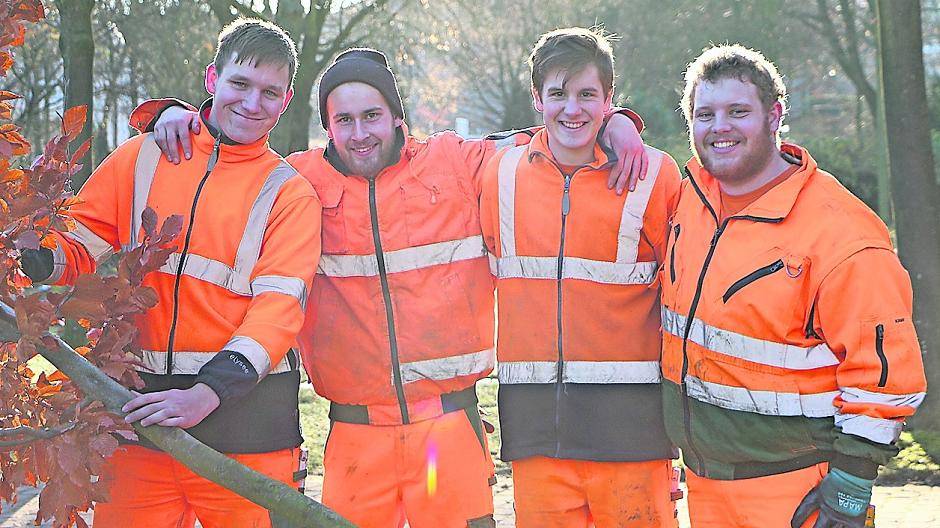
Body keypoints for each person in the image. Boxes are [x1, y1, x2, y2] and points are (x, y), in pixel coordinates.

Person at [134, 47, 648, 527]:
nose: (360, 133)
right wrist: (173, 115)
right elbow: (229, 154)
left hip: (448, 432)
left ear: (397, 116)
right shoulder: (296, 181)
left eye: (372, 115)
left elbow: (549, 139)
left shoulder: (457, 163)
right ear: (327, 128)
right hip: (354, 438)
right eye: (343, 120)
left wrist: (617, 123)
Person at [21, 19, 319, 527]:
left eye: (269, 92)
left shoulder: (289, 193)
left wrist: (206, 394)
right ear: (211, 79)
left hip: (248, 429)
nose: (252, 103)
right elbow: (77, 242)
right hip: (138, 414)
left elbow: (278, 312)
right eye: (240, 84)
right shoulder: (144, 156)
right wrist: (28, 252)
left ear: (286, 100)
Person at [660, 43, 927, 528]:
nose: (719, 126)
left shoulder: (841, 233)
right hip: (704, 483)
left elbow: (886, 376)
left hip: (800, 490)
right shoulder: (688, 204)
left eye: (738, 111)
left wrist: (850, 485)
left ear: (774, 115)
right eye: (705, 113)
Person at [479, 27, 681, 528]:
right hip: (535, 432)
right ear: (536, 98)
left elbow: (682, 298)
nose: (573, 109)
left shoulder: (655, 175)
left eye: (588, 95)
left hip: (632, 431)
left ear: (609, 99)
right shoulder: (498, 172)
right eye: (558, 94)